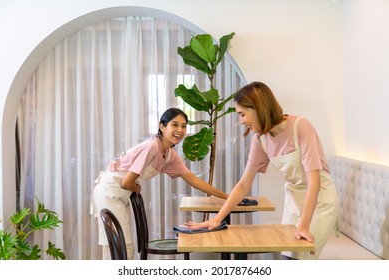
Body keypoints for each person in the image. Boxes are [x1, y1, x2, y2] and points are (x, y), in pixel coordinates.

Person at [185, 81, 339, 260]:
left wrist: (303, 226)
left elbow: (314, 181)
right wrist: (217, 218)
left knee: (301, 258)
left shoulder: (301, 127)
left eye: (242, 114)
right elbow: (243, 184)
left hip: (320, 202)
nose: (241, 121)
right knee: (287, 257)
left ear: (258, 108)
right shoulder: (261, 140)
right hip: (294, 200)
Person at [91, 108, 228, 260]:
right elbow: (127, 182)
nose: (180, 130)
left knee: (117, 245)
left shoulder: (169, 154)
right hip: (109, 190)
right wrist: (137, 188)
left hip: (118, 192)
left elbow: (194, 181)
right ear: (162, 127)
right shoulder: (152, 147)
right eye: (174, 125)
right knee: (122, 246)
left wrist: (227, 197)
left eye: (183, 126)